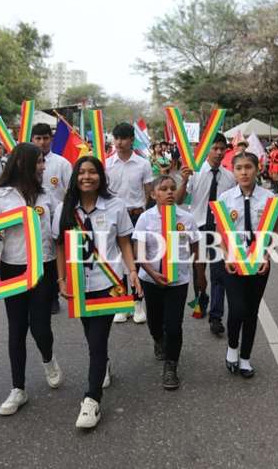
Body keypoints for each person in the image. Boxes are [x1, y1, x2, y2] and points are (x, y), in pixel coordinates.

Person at [53, 156, 143, 429]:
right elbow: (59, 247)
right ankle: (102, 365)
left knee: (97, 339)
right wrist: (61, 279)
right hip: (80, 285)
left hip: (109, 282)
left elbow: (124, 242)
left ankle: (92, 401)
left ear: (101, 176)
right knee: (90, 334)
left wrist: (132, 272)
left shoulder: (116, 206)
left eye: (92, 172)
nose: (87, 177)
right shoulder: (64, 208)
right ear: (75, 177)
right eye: (82, 173)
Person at [0, 143, 62, 416]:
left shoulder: (47, 195)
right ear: (23, 163)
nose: (43, 166)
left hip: (43, 269)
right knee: (16, 329)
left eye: (43, 162)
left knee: (40, 327)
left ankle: (48, 358)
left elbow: (57, 236)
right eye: (38, 162)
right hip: (13, 268)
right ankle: (18, 388)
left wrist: (62, 276)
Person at [132, 175, 205, 389]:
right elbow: (139, 251)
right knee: (155, 322)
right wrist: (152, 273)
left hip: (178, 281)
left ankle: (171, 365)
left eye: (173, 188)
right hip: (151, 279)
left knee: (174, 326)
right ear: (153, 194)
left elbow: (195, 248)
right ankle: (158, 339)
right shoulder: (146, 219)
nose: (170, 192)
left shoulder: (186, 218)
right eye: (163, 189)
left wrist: (201, 275)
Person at [218, 152, 278, 378]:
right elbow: (221, 233)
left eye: (248, 167)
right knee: (237, 309)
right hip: (234, 261)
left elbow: (275, 232)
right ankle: (232, 347)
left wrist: (267, 255)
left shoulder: (269, 198)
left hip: (259, 262)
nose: (244, 172)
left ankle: (245, 357)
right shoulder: (225, 198)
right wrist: (226, 256)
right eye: (239, 168)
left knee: (251, 311)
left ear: (257, 169)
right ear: (233, 171)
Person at [175, 134, 235, 335]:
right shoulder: (195, 173)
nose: (219, 152)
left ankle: (216, 316)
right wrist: (183, 181)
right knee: (198, 272)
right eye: (215, 148)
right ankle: (201, 298)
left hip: (219, 230)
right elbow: (179, 200)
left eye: (222, 148)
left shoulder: (229, 177)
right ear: (206, 150)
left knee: (219, 274)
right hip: (198, 228)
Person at [105, 122, 154, 323]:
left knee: (135, 260)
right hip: (114, 217)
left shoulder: (143, 164)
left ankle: (137, 302)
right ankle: (121, 303)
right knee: (116, 261)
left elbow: (149, 192)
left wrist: (148, 218)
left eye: (123, 138)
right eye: (116, 138)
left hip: (136, 216)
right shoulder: (107, 164)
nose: (119, 142)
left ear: (131, 140)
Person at [32, 122, 72, 314]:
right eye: (38, 138)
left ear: (51, 139)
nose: (42, 142)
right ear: (32, 139)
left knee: (54, 257)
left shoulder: (62, 163)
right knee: (36, 256)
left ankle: (54, 294)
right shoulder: (26, 162)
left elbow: (71, 191)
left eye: (45, 138)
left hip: (57, 217)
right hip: (34, 219)